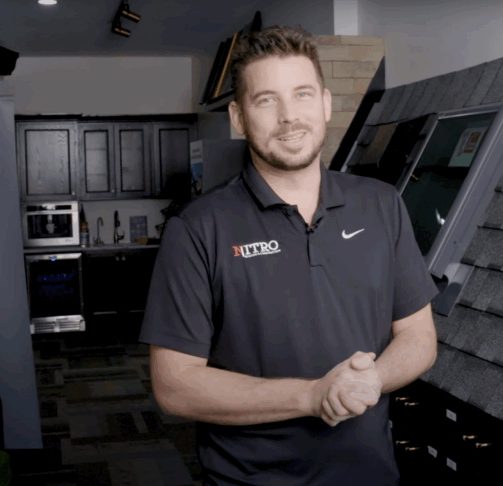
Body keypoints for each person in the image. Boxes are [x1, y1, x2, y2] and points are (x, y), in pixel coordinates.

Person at [138, 24, 439, 486]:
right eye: (266, 100)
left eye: (301, 95)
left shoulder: (381, 204)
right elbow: (174, 385)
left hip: (371, 475)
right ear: (239, 118)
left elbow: (419, 336)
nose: (288, 116)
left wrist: (368, 381)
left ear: (324, 103)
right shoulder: (197, 228)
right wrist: (313, 396)